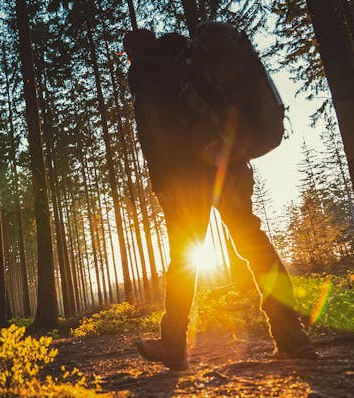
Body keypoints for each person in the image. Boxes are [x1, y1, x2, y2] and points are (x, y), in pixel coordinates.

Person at [123, 28, 318, 371]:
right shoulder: (187, 60)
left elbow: (157, 136)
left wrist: (163, 187)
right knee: (253, 242)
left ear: (131, 53)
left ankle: (173, 344)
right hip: (228, 164)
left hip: (186, 180)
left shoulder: (146, 75)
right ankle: (292, 335)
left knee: (184, 259)